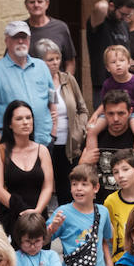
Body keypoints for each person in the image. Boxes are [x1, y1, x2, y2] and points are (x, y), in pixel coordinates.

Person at [0, 22, 57, 152]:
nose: (21, 41)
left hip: (44, 141)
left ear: (29, 40)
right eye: (15, 37)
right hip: (11, 145)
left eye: (24, 37)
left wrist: (53, 132)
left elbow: (53, 97)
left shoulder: (41, 66)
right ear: (7, 41)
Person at [79, 90, 134, 202]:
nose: (116, 119)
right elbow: (76, 182)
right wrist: (82, 163)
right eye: (111, 114)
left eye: (121, 113)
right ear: (104, 113)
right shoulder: (95, 136)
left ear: (130, 112)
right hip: (101, 205)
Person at [0, 101, 54, 235]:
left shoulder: (42, 150)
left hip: (38, 217)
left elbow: (48, 187)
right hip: (10, 217)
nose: (25, 122)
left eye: (28, 118)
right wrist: (23, 211)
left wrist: (37, 212)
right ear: (9, 124)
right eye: (19, 119)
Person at [38, 38, 88, 205]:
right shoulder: (37, 83)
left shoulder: (68, 79)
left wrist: (78, 132)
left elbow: (82, 109)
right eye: (50, 59)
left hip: (69, 145)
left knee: (68, 188)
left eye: (57, 58)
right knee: (46, 187)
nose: (55, 63)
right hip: (46, 143)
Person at [23, 0, 76, 73]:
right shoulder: (20, 30)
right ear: (26, 5)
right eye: (32, 2)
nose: (36, 5)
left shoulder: (60, 28)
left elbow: (70, 62)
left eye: (40, 1)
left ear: (47, 4)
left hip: (55, 80)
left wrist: (65, 80)